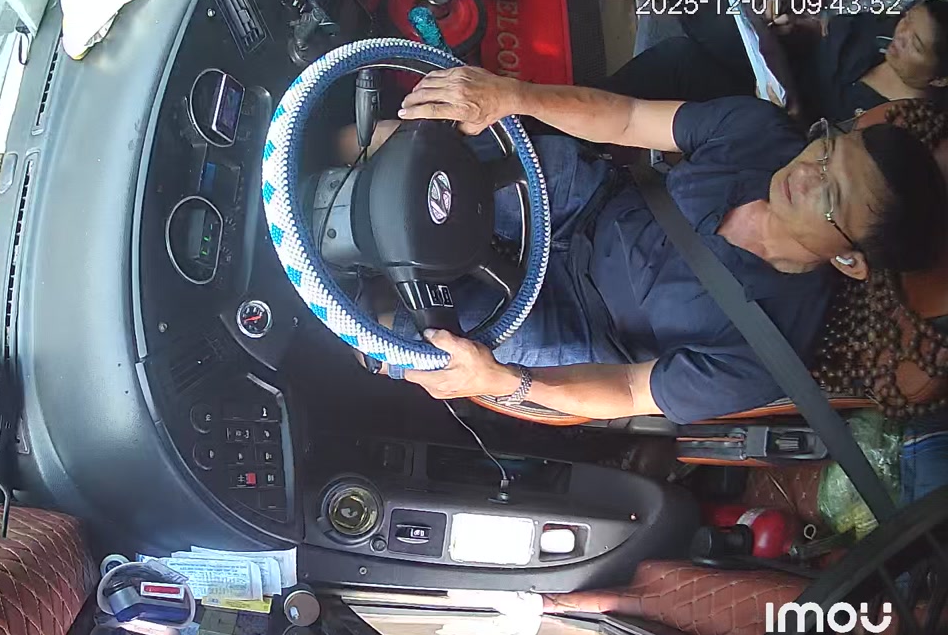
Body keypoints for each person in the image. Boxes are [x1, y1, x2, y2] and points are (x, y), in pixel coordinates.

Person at [368, 67, 946, 424]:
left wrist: (500, 383)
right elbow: (629, 118)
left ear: (849, 259)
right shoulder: (759, 133)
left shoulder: (769, 354)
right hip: (586, 200)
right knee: (415, 153)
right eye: (828, 151)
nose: (807, 172)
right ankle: (329, 146)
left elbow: (627, 390)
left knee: (406, 341)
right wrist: (513, 95)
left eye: (832, 195)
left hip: (577, 320)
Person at [595, 0, 948, 125]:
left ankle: (580, 130)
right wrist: (794, 28)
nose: (900, 36)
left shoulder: (903, 124)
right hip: (779, 64)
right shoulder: (884, 34)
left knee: (680, 57)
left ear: (939, 79)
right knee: (732, 19)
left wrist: (793, 116)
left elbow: (818, 166)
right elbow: (823, 31)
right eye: (907, 20)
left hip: (775, 123)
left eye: (914, 44)